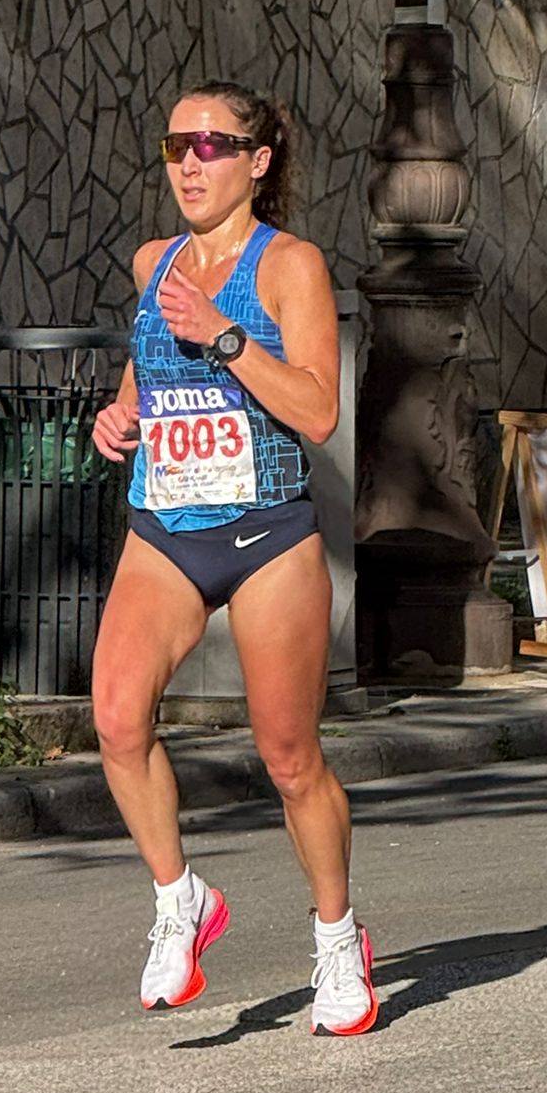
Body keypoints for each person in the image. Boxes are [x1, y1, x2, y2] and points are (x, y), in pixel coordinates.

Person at [90, 80, 378, 1036]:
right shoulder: (153, 261)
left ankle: (337, 939)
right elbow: (150, 361)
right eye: (176, 144)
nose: (188, 162)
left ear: (257, 162)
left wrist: (224, 335)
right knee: (117, 718)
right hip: (165, 527)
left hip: (264, 535)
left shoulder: (288, 265)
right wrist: (123, 414)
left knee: (290, 757)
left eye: (211, 145)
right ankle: (181, 901)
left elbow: (317, 409)